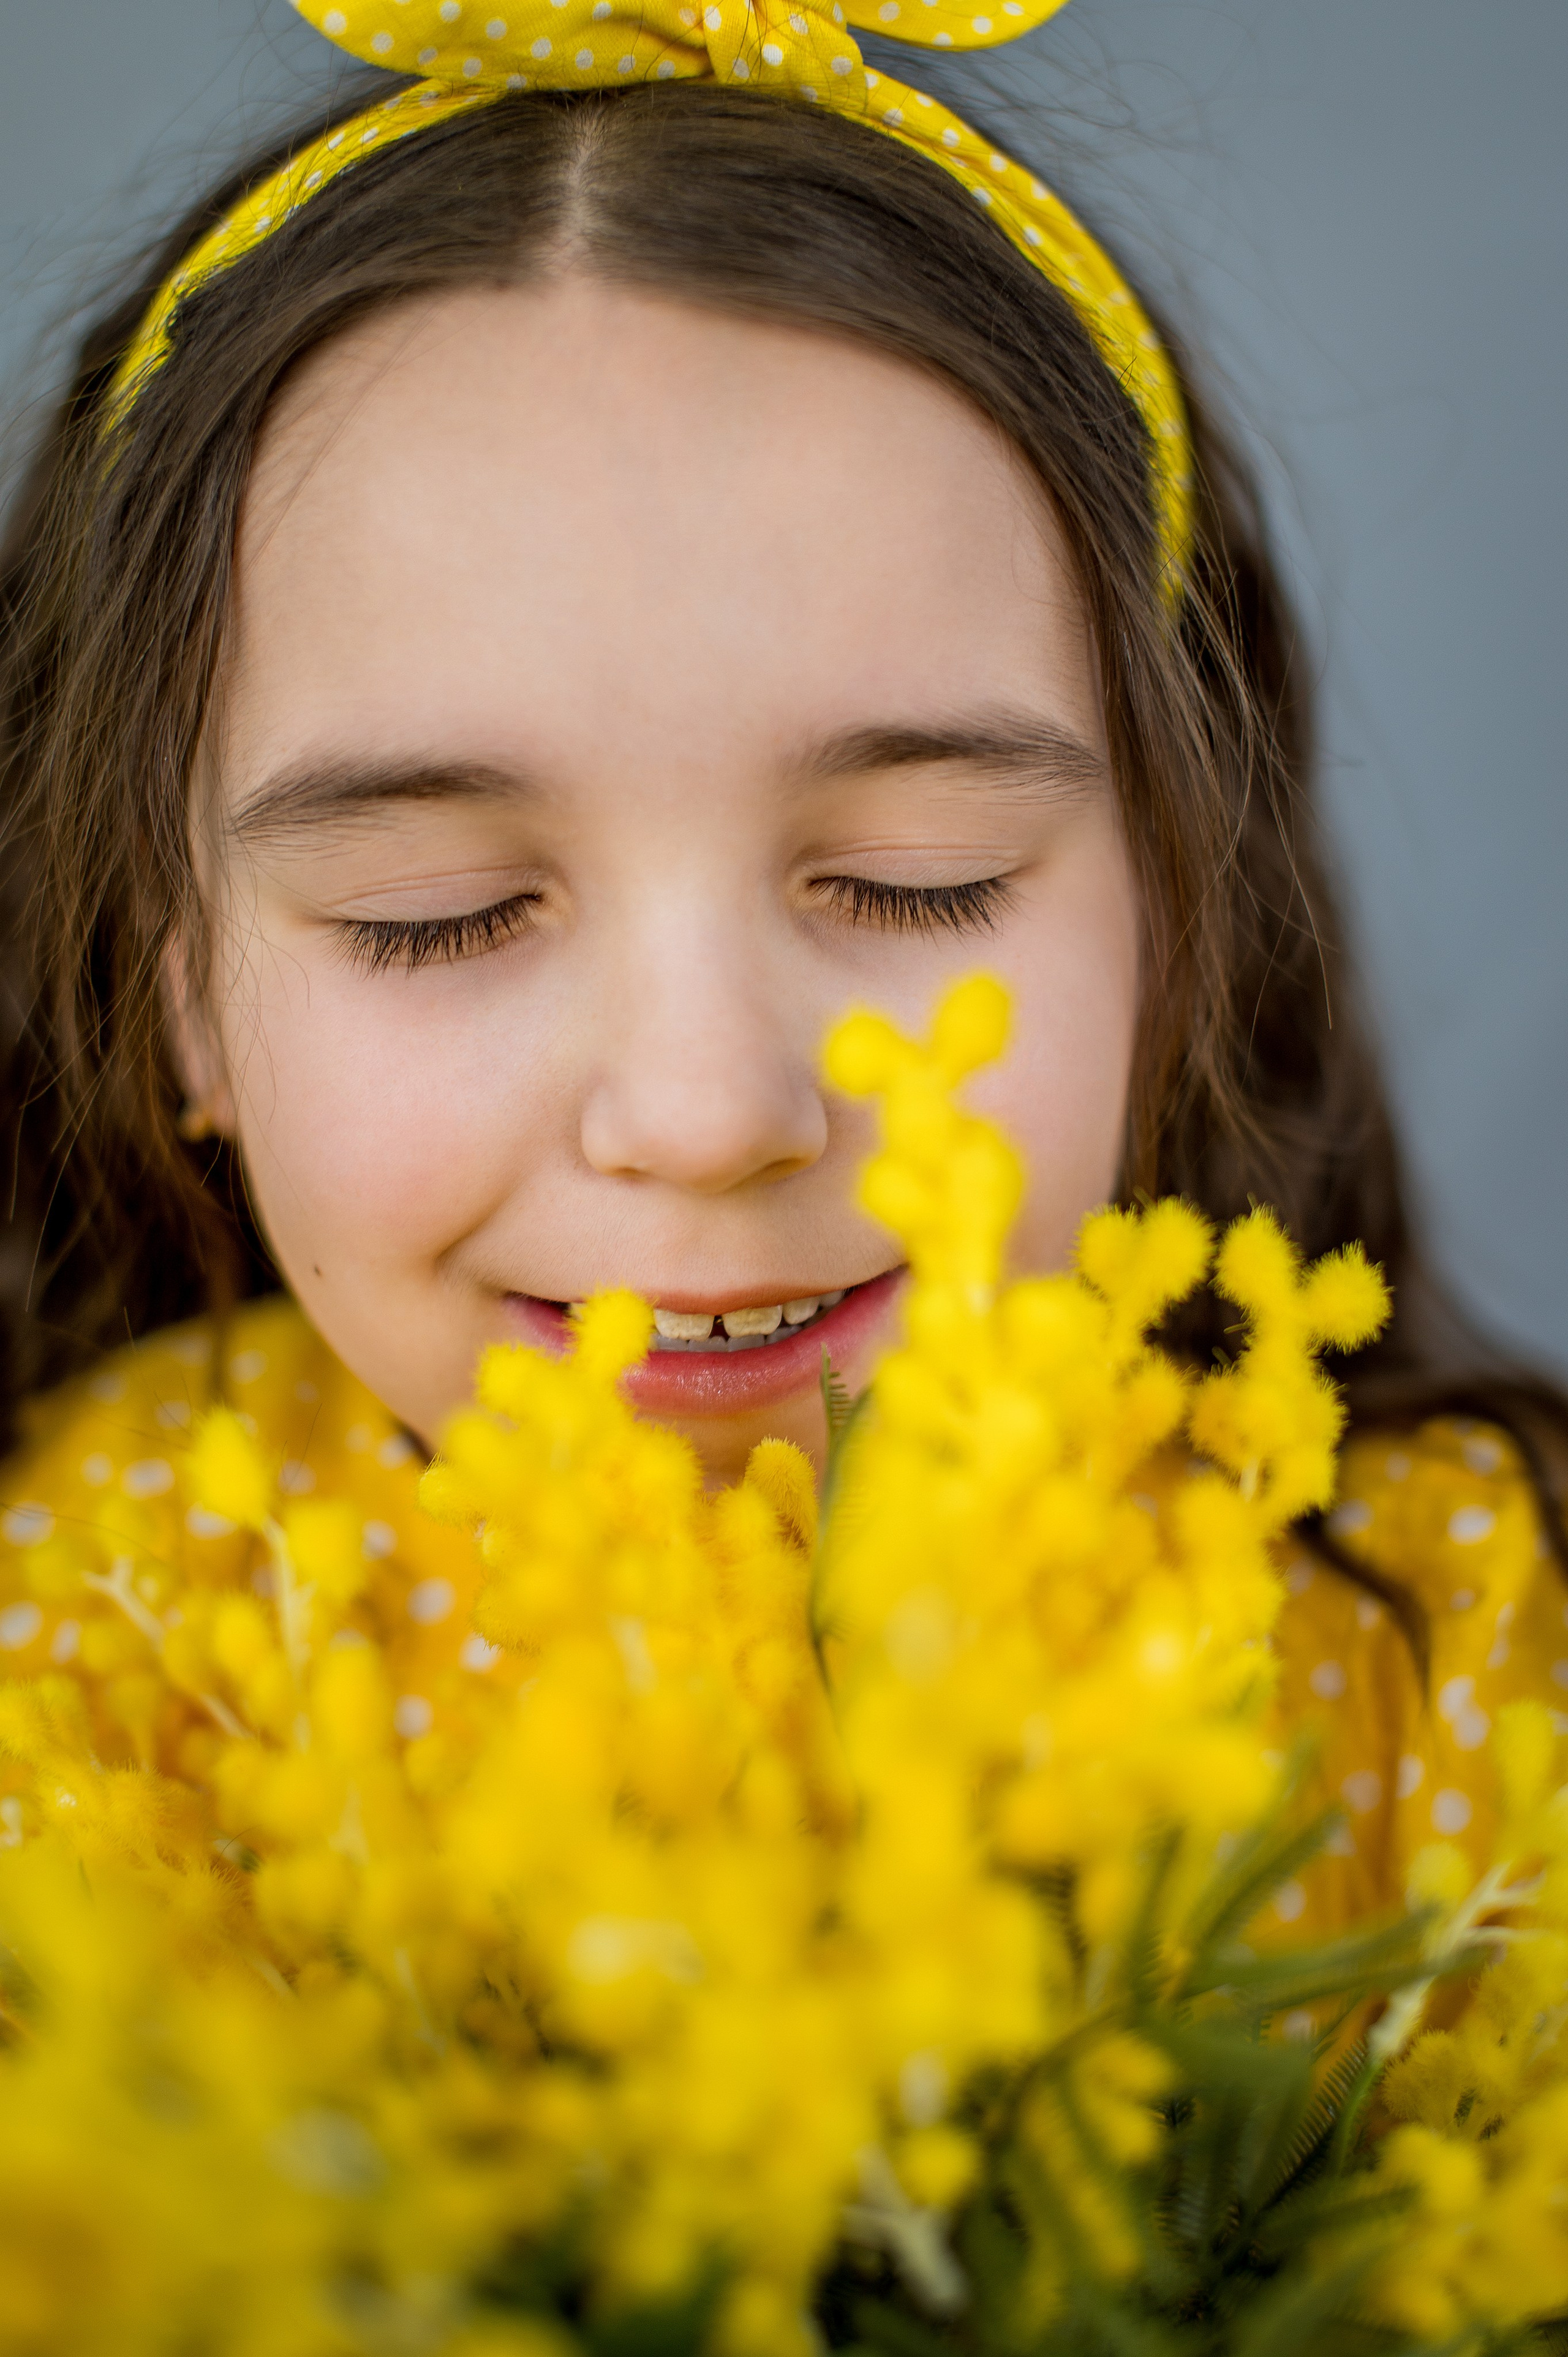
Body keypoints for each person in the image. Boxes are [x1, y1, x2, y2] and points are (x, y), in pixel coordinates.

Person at [0, 0, 1562, 1939]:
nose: (712, 1108)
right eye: (440, 911)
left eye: (920, 884)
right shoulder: (81, 1632)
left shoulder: (1476, 1655)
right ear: (179, 1001)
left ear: (1183, 910)